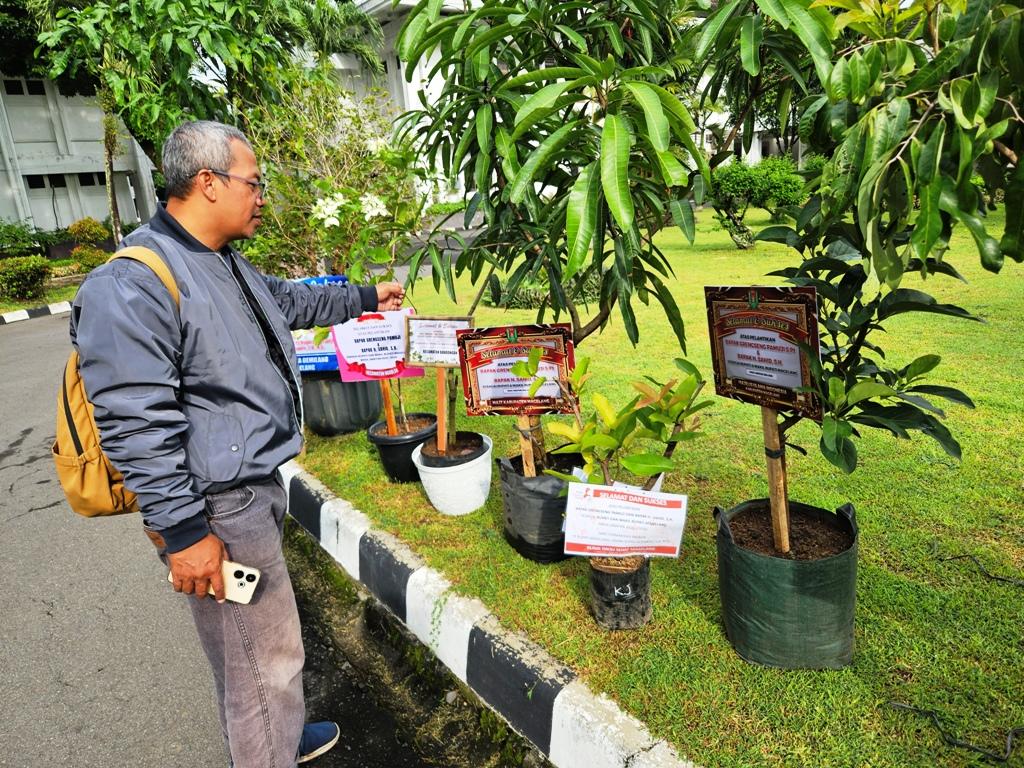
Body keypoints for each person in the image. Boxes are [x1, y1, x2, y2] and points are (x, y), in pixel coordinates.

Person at [69, 120, 405, 767]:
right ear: (207, 182)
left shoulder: (216, 261)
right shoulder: (134, 282)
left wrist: (366, 296)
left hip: (247, 493)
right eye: (254, 183)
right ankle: (267, 744)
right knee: (266, 661)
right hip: (216, 509)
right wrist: (185, 533)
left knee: (251, 653)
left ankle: (276, 731)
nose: (261, 196)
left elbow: (284, 304)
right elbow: (135, 423)